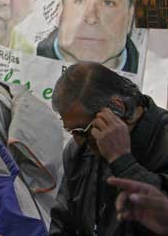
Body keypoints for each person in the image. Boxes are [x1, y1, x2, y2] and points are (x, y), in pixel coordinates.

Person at [49, 62, 168, 235]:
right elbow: (62, 222)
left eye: (84, 131)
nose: (79, 141)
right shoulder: (78, 152)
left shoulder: (162, 140)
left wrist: (123, 161)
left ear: (117, 108)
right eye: (71, 131)